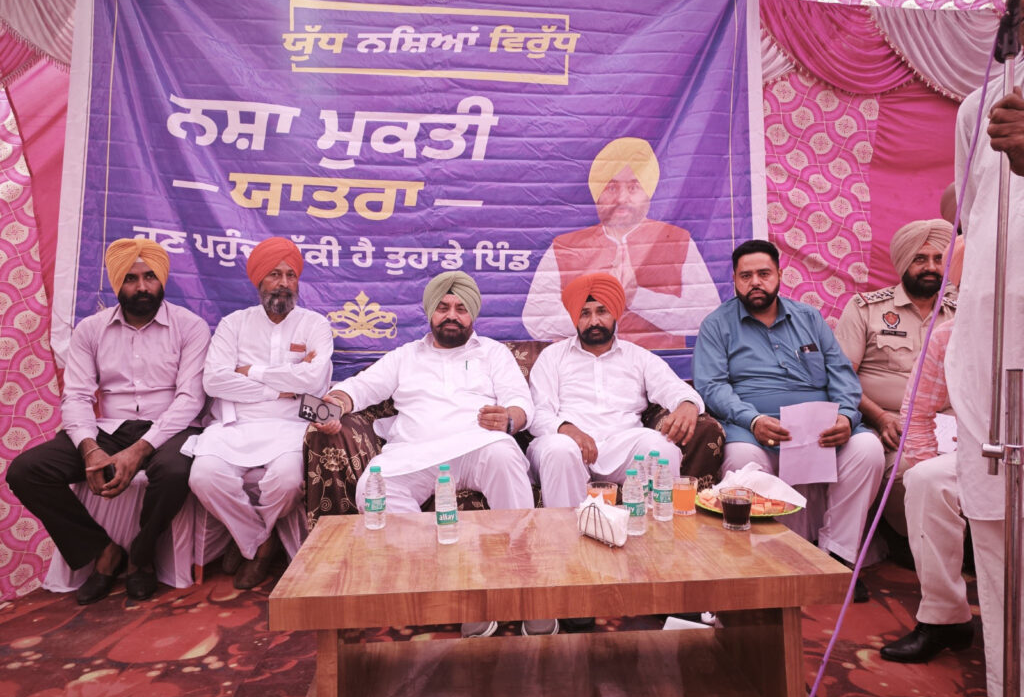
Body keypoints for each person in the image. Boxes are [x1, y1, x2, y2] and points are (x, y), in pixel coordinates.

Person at [319, 271, 556, 638]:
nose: (452, 315)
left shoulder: (492, 353)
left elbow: (520, 402)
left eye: (461, 308)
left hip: (478, 446)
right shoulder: (405, 356)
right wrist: (335, 403)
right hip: (414, 453)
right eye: (443, 307)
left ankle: (526, 585)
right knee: (373, 490)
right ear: (430, 312)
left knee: (505, 455)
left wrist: (509, 418)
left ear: (472, 314)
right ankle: (464, 584)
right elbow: (362, 387)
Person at [8, 239, 210, 604]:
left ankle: (141, 558)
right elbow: (77, 397)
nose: (142, 287)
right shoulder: (91, 329)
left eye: (150, 277)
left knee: (175, 472)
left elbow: (190, 399)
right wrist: (90, 449)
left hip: (170, 428)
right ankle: (102, 551)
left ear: (162, 279)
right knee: (26, 471)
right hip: (109, 428)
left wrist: (140, 450)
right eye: (131, 278)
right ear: (117, 282)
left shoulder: (190, 327)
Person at [693, 239, 884, 601]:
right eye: (746, 276)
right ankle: (772, 562)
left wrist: (846, 416)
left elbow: (842, 374)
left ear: (780, 275)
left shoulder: (809, 318)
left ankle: (837, 559)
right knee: (741, 461)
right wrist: (753, 420)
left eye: (764, 273)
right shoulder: (717, 325)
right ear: (734, 280)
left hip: (823, 430)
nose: (755, 282)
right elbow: (712, 386)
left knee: (868, 449)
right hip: (754, 430)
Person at [946, 31, 1024, 697]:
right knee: (995, 521)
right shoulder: (979, 106)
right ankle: (1011, 681)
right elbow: (975, 219)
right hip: (988, 338)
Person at [188, 237, 333, 590]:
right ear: (258, 280)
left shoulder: (315, 324)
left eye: (290, 275)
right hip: (236, 424)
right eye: (274, 274)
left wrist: (250, 371)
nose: (284, 283)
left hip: (291, 423)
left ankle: (250, 546)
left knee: (286, 482)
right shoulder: (233, 324)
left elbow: (313, 381)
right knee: (203, 477)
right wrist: (279, 387)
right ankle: (257, 543)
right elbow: (214, 381)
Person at [526, 272, 716, 509]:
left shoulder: (637, 356)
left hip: (622, 446)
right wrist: (567, 429)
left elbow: (672, 387)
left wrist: (688, 403)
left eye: (602, 311)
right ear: (575, 318)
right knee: (559, 450)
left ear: (615, 313)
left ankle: (657, 529)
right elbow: (538, 413)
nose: (594, 321)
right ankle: (565, 532)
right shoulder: (552, 357)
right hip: (567, 445)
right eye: (585, 313)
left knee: (662, 449)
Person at [522, 137, 720, 349]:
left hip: (656, 364)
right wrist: (600, 313)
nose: (622, 198)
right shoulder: (565, 247)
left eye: (633, 187)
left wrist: (637, 298)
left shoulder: (676, 241)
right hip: (584, 364)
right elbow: (536, 319)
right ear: (597, 194)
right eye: (611, 188)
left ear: (648, 193)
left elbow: (707, 317)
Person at [834, 218, 956, 536]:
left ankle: (969, 549)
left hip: (950, 429)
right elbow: (841, 379)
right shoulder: (867, 309)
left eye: (938, 259)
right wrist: (880, 418)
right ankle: (909, 545)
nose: (931, 267)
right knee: (910, 472)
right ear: (903, 262)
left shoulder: (961, 314)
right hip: (889, 429)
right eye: (920, 258)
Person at [880, 317, 973, 663]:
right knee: (925, 479)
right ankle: (943, 618)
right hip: (979, 455)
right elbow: (917, 412)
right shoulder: (949, 333)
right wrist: (925, 459)